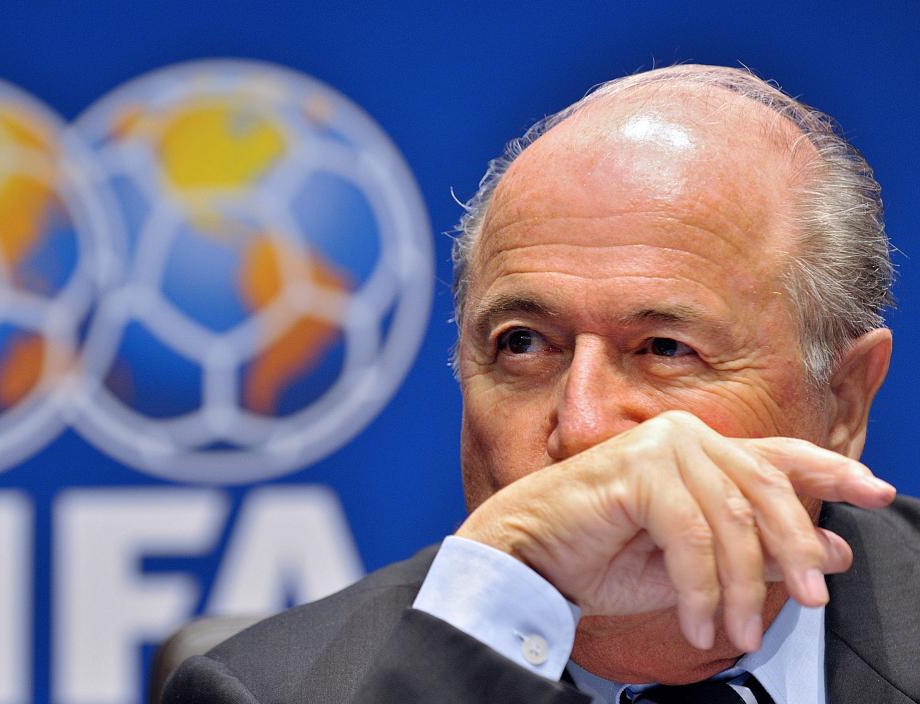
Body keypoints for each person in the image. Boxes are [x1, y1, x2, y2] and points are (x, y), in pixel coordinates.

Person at [163, 64, 914, 704]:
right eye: (523, 344)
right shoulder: (261, 691)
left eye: (664, 349)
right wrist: (492, 611)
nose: (582, 427)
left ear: (844, 402)